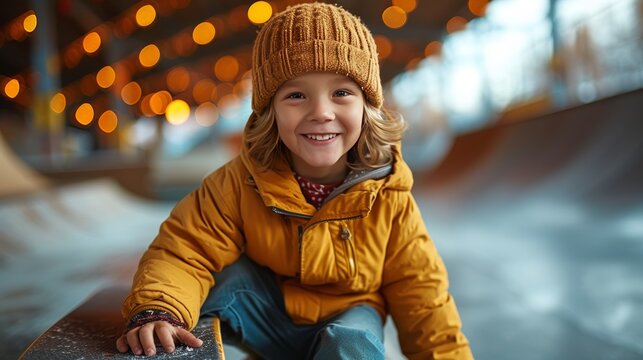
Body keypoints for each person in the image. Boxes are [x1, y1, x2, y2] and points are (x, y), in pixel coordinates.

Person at [116, 2, 473, 359]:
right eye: (296, 95)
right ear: (270, 111)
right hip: (264, 311)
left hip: (348, 313)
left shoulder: (388, 195)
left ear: (367, 107)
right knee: (219, 284)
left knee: (353, 347)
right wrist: (159, 309)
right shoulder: (240, 183)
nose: (321, 112)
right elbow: (186, 247)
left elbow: (423, 294)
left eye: (342, 93)